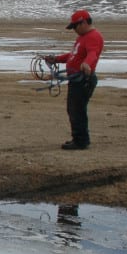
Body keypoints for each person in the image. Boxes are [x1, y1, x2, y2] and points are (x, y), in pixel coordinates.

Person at [45, 9, 104, 150]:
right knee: (73, 109)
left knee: (77, 110)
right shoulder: (83, 37)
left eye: (75, 26)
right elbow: (73, 55)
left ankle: (81, 141)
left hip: (83, 79)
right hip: (76, 79)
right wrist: (57, 59)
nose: (74, 30)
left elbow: (92, 54)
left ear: (83, 22)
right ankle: (78, 138)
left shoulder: (93, 37)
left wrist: (87, 64)